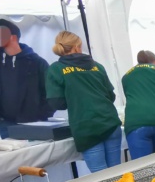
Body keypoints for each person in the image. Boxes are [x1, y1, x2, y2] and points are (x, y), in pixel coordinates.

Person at [46, 31, 122, 173]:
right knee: (116, 172)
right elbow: (111, 96)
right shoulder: (97, 66)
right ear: (77, 47)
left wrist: (76, 100)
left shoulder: (56, 69)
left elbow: (56, 103)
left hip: (86, 126)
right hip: (110, 122)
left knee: (100, 175)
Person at [0, 18, 53, 139]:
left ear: (13, 37)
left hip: (33, 123)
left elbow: (50, 91)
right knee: (13, 157)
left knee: (33, 156)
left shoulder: (36, 62)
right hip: (3, 123)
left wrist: (41, 114)